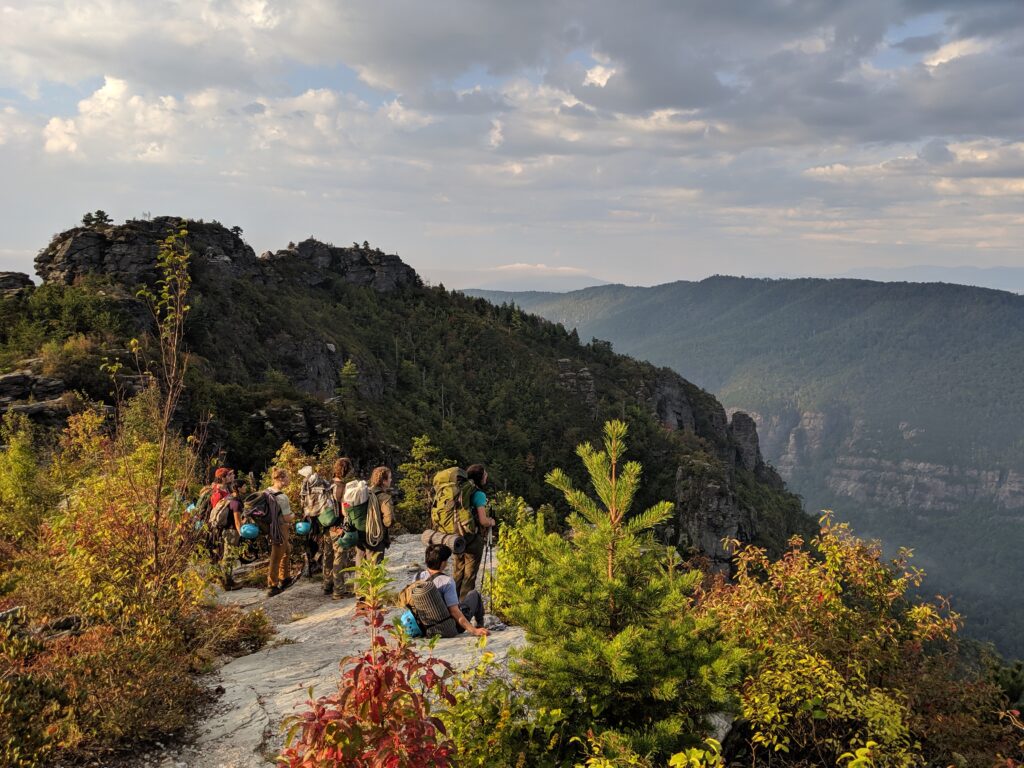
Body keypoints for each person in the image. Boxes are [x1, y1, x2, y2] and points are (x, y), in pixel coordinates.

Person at [417, 543, 488, 637]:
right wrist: (473, 631)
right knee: (474, 594)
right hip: (448, 627)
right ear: (442, 563)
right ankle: (479, 625)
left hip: (424, 626)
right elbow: (454, 611)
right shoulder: (447, 581)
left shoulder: (417, 577)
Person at [453, 464, 496, 600]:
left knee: (458, 572)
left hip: (457, 536)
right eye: (485, 474)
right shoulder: (479, 494)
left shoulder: (460, 491)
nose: (486, 476)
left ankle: (451, 605)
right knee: (469, 575)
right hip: (472, 537)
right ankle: (464, 608)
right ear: (480, 477)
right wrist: (491, 522)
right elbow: (483, 521)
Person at [324, 457, 356, 599]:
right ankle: (339, 590)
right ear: (346, 470)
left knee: (328, 555)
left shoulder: (328, 484)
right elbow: (344, 510)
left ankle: (327, 584)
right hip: (339, 526)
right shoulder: (343, 487)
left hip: (327, 524)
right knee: (339, 556)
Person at [266, 467, 297, 596]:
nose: (289, 479)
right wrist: (294, 515)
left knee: (287, 550)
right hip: (281, 527)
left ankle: (285, 577)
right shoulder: (282, 497)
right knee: (276, 555)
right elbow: (286, 517)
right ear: (280, 479)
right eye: (287, 477)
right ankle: (272, 585)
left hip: (271, 527)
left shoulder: (267, 491)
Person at [356, 466, 396, 567]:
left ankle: (358, 584)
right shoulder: (384, 497)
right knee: (374, 569)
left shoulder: (365, 493)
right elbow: (389, 520)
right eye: (389, 477)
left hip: (360, 536)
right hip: (376, 539)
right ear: (383, 481)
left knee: (360, 569)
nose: (391, 480)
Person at [218, 478, 247, 590]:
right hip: (232, 532)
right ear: (238, 488)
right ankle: (227, 582)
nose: (246, 488)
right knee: (229, 557)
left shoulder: (230, 498)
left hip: (227, 530)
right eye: (244, 486)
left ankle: (227, 581)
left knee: (228, 557)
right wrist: (241, 533)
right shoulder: (236, 502)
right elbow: (237, 521)